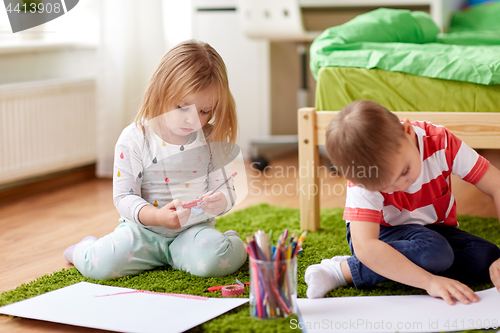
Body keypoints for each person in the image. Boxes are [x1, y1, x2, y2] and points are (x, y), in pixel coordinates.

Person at [63, 40, 247, 280]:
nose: (193, 119)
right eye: (182, 107)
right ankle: (83, 249)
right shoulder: (134, 138)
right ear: (161, 91)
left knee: (217, 261)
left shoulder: (211, 140)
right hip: (142, 233)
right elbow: (124, 197)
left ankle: (229, 240)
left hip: (191, 233)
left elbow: (228, 189)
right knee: (102, 265)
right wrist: (158, 217)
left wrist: (220, 201)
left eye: (204, 111)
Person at [305, 100, 500, 305]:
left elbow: (496, 184)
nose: (401, 186)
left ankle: (400, 267)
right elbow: (365, 245)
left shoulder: (441, 142)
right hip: (383, 234)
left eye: (405, 171)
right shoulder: (365, 175)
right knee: (435, 253)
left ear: (407, 131)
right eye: (386, 187)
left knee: (487, 257)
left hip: (434, 231)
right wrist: (429, 282)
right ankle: (343, 270)